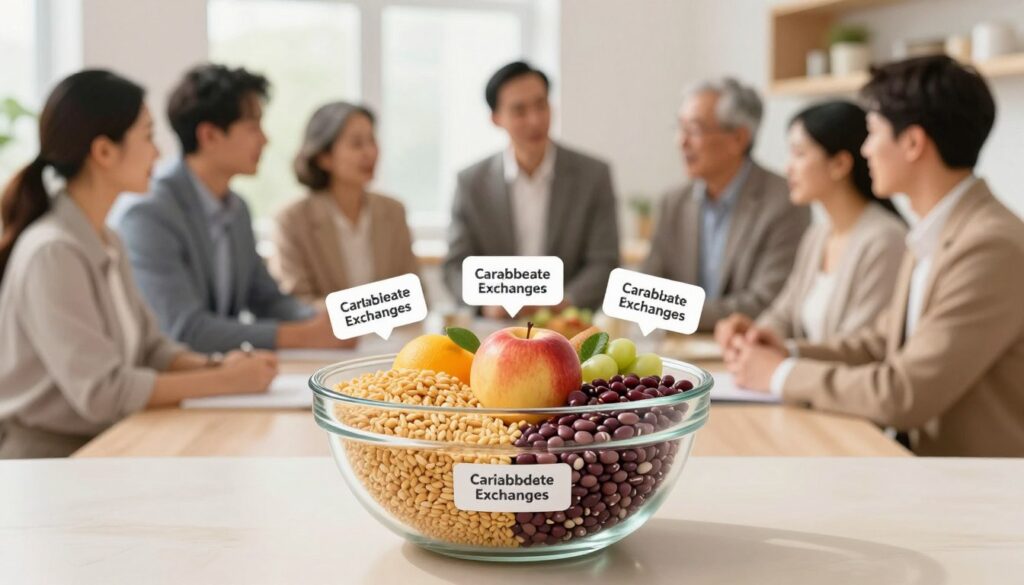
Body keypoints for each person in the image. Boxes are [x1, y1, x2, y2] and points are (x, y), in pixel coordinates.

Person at [727, 55, 1024, 457]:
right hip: (918, 469)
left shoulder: (990, 245)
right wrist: (788, 351)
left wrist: (780, 374)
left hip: (976, 489)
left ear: (914, 143)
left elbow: (904, 392)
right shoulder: (936, 229)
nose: (865, 149)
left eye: (873, 132)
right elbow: (881, 342)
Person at [0, 70, 277, 459]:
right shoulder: (53, 252)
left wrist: (216, 364)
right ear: (103, 152)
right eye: (147, 137)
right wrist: (224, 380)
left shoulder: (106, 239)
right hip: (51, 461)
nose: (158, 153)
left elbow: (151, 349)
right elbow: (103, 393)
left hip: (110, 443)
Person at [113, 64, 351, 352]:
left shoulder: (237, 208)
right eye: (253, 127)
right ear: (209, 135)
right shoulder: (148, 213)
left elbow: (266, 298)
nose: (265, 140)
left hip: (223, 376)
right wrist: (301, 336)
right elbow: (184, 329)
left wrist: (321, 319)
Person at [715, 101, 906, 348]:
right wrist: (754, 333)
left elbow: (860, 349)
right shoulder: (818, 235)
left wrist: (787, 353)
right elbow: (783, 314)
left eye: (799, 154)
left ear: (839, 164)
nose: (788, 168)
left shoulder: (886, 241)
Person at [442, 61, 619, 314]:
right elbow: (454, 266)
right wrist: (486, 305)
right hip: (496, 327)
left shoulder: (593, 175)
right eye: (519, 111)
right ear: (496, 118)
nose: (535, 120)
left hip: (566, 325)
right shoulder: (471, 183)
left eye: (541, 105)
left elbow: (605, 261)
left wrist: (563, 301)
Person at [642, 77, 810, 331]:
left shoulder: (785, 202)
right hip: (677, 353)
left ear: (738, 139)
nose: (681, 141)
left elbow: (765, 303)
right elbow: (645, 291)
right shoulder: (673, 202)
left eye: (694, 130)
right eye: (680, 128)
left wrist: (669, 310)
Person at [270, 102, 418, 303]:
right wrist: (373, 311)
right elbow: (296, 304)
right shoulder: (292, 219)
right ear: (324, 157)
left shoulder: (393, 211)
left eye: (372, 141)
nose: (370, 152)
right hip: (324, 335)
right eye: (357, 144)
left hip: (394, 335)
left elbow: (414, 294)